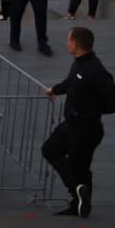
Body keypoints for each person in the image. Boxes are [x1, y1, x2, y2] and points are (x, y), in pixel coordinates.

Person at [44, 27, 113, 217]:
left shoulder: (95, 70)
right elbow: (71, 82)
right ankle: (80, 202)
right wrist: (55, 90)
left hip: (84, 128)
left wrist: (89, 111)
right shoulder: (79, 64)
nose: (67, 44)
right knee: (79, 166)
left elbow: (111, 99)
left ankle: (77, 192)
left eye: (68, 40)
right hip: (77, 126)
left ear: (76, 43)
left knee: (52, 151)